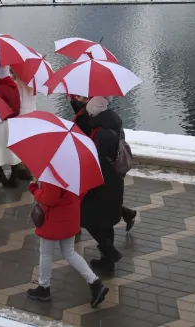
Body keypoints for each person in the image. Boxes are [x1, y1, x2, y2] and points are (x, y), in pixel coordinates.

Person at [27, 179, 109, 308]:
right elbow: (82, 192)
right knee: (69, 252)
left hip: (53, 218)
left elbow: (50, 199)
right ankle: (95, 282)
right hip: (70, 214)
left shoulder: (52, 172)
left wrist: (34, 189)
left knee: (46, 253)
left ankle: (44, 287)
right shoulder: (74, 169)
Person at [80, 96, 125, 273]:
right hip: (114, 181)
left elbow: (94, 160)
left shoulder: (100, 134)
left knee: (87, 218)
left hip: (101, 183)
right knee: (107, 222)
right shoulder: (115, 125)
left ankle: (110, 252)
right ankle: (108, 261)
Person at [83, 97, 137, 231]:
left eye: (90, 113)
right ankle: (127, 214)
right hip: (114, 175)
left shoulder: (101, 133)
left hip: (105, 176)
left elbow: (97, 158)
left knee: (101, 209)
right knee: (109, 203)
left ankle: (108, 248)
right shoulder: (114, 124)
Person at [0, 66, 21, 188]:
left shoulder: (0, 88)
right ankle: (13, 176)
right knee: (12, 151)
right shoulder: (13, 85)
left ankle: (1, 175)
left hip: (3, 122)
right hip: (14, 121)